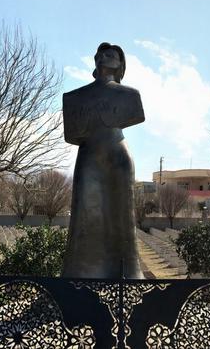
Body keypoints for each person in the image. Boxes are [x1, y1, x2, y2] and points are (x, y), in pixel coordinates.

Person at [61, 42, 145, 279]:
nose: (104, 57)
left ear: (120, 64)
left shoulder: (129, 96)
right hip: (88, 157)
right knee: (85, 215)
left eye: (111, 55)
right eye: (101, 54)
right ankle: (80, 276)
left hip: (118, 157)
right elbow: (72, 134)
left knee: (123, 219)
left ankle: (128, 275)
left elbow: (136, 115)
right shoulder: (75, 97)